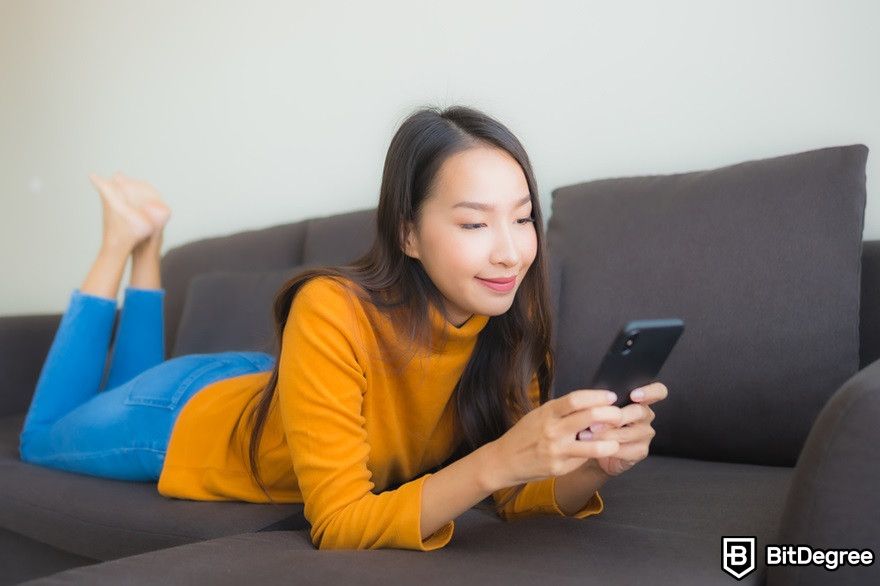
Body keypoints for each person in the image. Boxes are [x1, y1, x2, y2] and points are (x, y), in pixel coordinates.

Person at [18, 105, 667, 551]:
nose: (510, 252)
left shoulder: (511, 317)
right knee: (42, 440)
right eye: (474, 223)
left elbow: (515, 494)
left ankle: (146, 244)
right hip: (187, 417)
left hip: (284, 389)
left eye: (522, 218)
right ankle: (123, 244)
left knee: (115, 389)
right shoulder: (331, 306)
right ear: (408, 232)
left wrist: (590, 464)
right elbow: (340, 522)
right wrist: (500, 458)